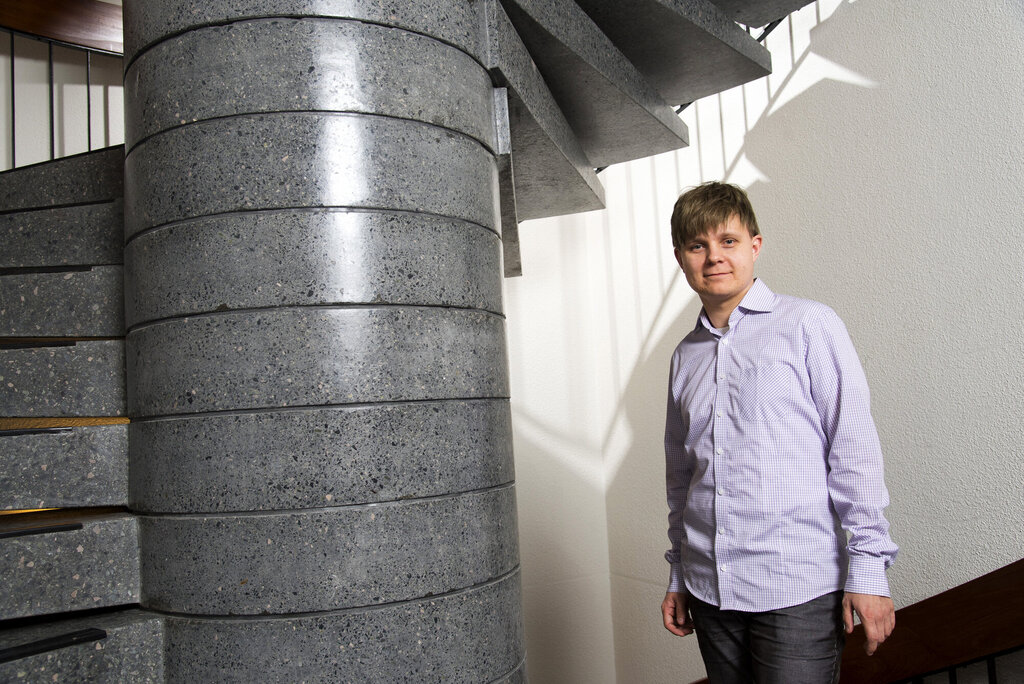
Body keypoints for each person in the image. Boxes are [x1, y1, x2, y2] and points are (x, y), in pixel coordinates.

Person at [660, 182, 898, 684]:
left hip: (797, 588)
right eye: (697, 245)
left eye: (727, 241)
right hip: (710, 591)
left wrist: (869, 569)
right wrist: (679, 574)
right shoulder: (685, 356)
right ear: (680, 257)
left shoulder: (809, 325)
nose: (714, 257)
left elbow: (852, 449)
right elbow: (682, 479)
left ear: (755, 245)